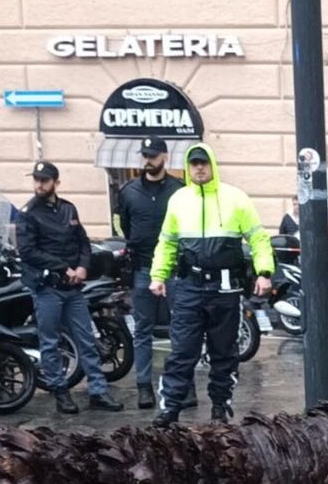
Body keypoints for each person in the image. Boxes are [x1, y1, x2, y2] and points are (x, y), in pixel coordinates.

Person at [149, 144, 274, 427]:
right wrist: (158, 276)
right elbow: (167, 242)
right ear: (187, 167)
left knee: (224, 352)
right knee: (182, 352)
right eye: (194, 164)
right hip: (189, 288)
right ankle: (170, 409)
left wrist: (264, 272)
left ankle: (220, 407)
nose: (199, 168)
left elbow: (258, 238)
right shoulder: (179, 199)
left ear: (212, 165)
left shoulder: (235, 198)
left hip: (225, 288)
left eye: (203, 163)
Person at [15, 161, 123, 415]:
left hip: (73, 288)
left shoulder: (68, 209)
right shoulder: (28, 213)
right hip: (47, 287)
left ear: (56, 183)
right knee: (51, 342)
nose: (39, 185)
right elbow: (28, 251)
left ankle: (98, 391)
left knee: (87, 339)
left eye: (44, 180)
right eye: (36, 180)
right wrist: (63, 267)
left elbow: (83, 242)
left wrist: (84, 267)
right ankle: (60, 392)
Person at [116, 137, 185, 410]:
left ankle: (182, 385)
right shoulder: (129, 191)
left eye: (153, 155)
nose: (148, 160)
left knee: (181, 327)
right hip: (143, 267)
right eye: (145, 155)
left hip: (174, 269)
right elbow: (125, 226)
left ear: (164, 157)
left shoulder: (178, 190)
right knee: (142, 330)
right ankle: (144, 387)